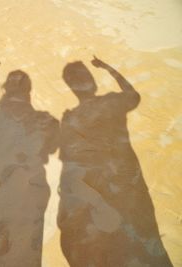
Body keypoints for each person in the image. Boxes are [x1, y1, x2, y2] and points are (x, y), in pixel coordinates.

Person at [57, 56, 172, 266]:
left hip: (102, 192)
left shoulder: (71, 117)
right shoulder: (111, 102)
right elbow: (133, 96)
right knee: (145, 242)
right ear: (91, 80)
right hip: (129, 188)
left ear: (71, 87)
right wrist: (109, 69)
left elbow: (68, 163)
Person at [0, 53, 59, 266]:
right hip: (25, 190)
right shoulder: (44, 120)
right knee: (22, 250)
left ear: (7, 90)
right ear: (28, 91)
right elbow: (53, 148)